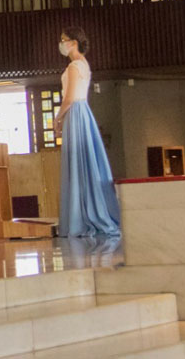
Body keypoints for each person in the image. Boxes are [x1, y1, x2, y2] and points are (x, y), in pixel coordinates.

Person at [56, 26, 121, 237]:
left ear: (74, 42)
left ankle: (80, 218)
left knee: (77, 163)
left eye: (64, 39)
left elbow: (70, 97)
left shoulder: (75, 66)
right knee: (85, 163)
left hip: (75, 112)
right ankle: (88, 212)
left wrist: (58, 118)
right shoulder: (84, 64)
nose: (61, 43)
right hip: (83, 112)